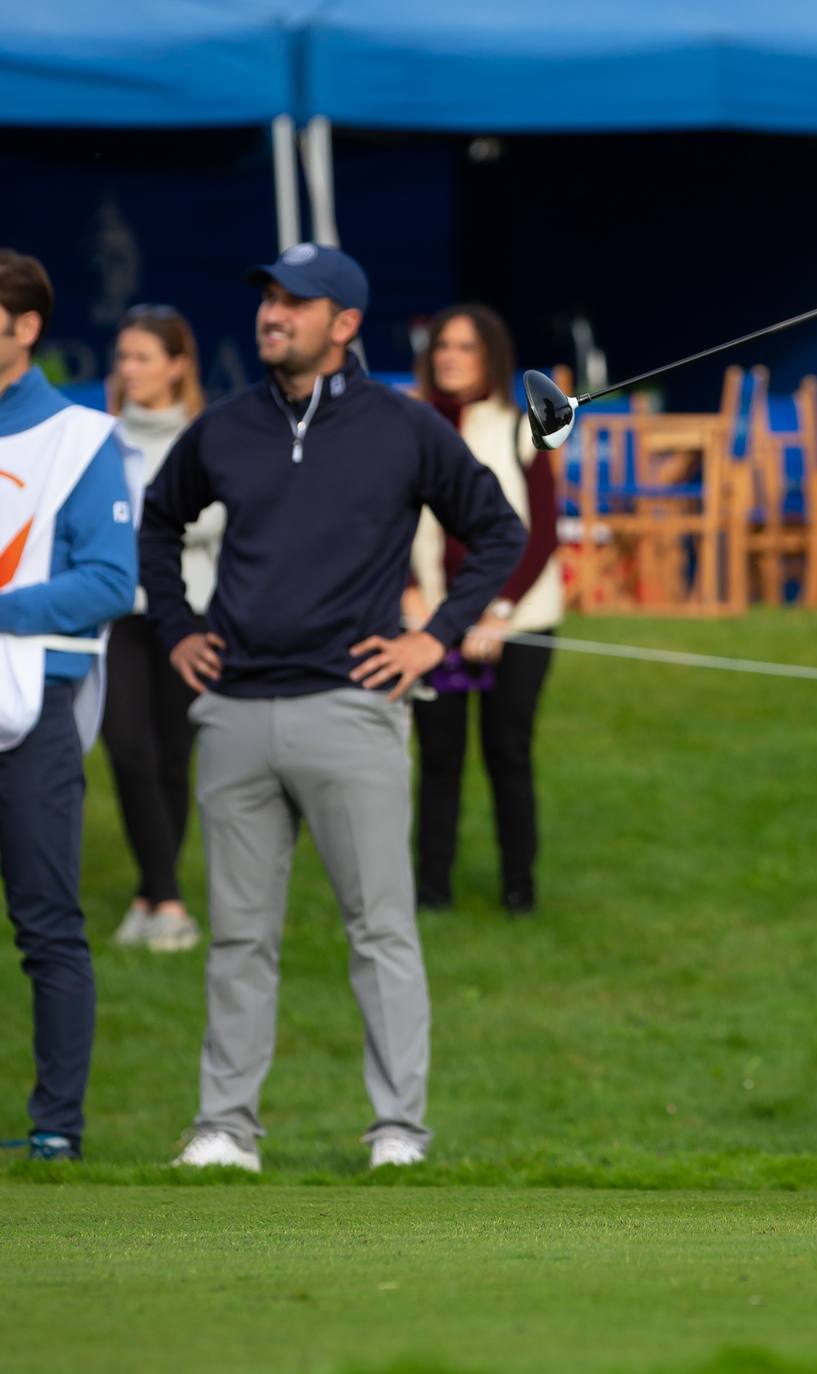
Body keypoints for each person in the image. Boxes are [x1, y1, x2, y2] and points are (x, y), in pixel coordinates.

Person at [139, 244, 525, 1173]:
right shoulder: (225, 427)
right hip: (234, 711)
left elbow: (498, 530)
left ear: (343, 325)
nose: (274, 315)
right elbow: (158, 522)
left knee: (381, 927)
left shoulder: (403, 427)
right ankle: (226, 1126)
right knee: (238, 935)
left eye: (295, 303)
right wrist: (176, 627)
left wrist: (434, 638)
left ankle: (400, 1128)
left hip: (353, 709)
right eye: (268, 299)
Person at [0, 248, 137, 1162]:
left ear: (26, 326)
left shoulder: (81, 438)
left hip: (31, 717)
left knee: (47, 923)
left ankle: (57, 1128)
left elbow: (110, 583)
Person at [407, 304, 563, 916]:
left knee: (508, 751)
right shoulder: (412, 425)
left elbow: (542, 530)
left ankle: (518, 889)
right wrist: (410, 597)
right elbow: (387, 517)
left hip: (517, 619)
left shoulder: (519, 426)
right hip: (430, 619)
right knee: (438, 757)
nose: (449, 356)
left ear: (490, 357)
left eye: (464, 347)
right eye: (442, 345)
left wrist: (497, 612)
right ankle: (430, 892)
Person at [103, 305, 220, 954]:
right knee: (127, 748)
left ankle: (153, 897)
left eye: (143, 357)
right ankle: (167, 897)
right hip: (115, 613)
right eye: (123, 357)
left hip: (190, 612)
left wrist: (143, 516)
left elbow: (217, 518)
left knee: (175, 756)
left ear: (177, 365)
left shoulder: (207, 435)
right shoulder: (98, 437)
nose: (129, 370)